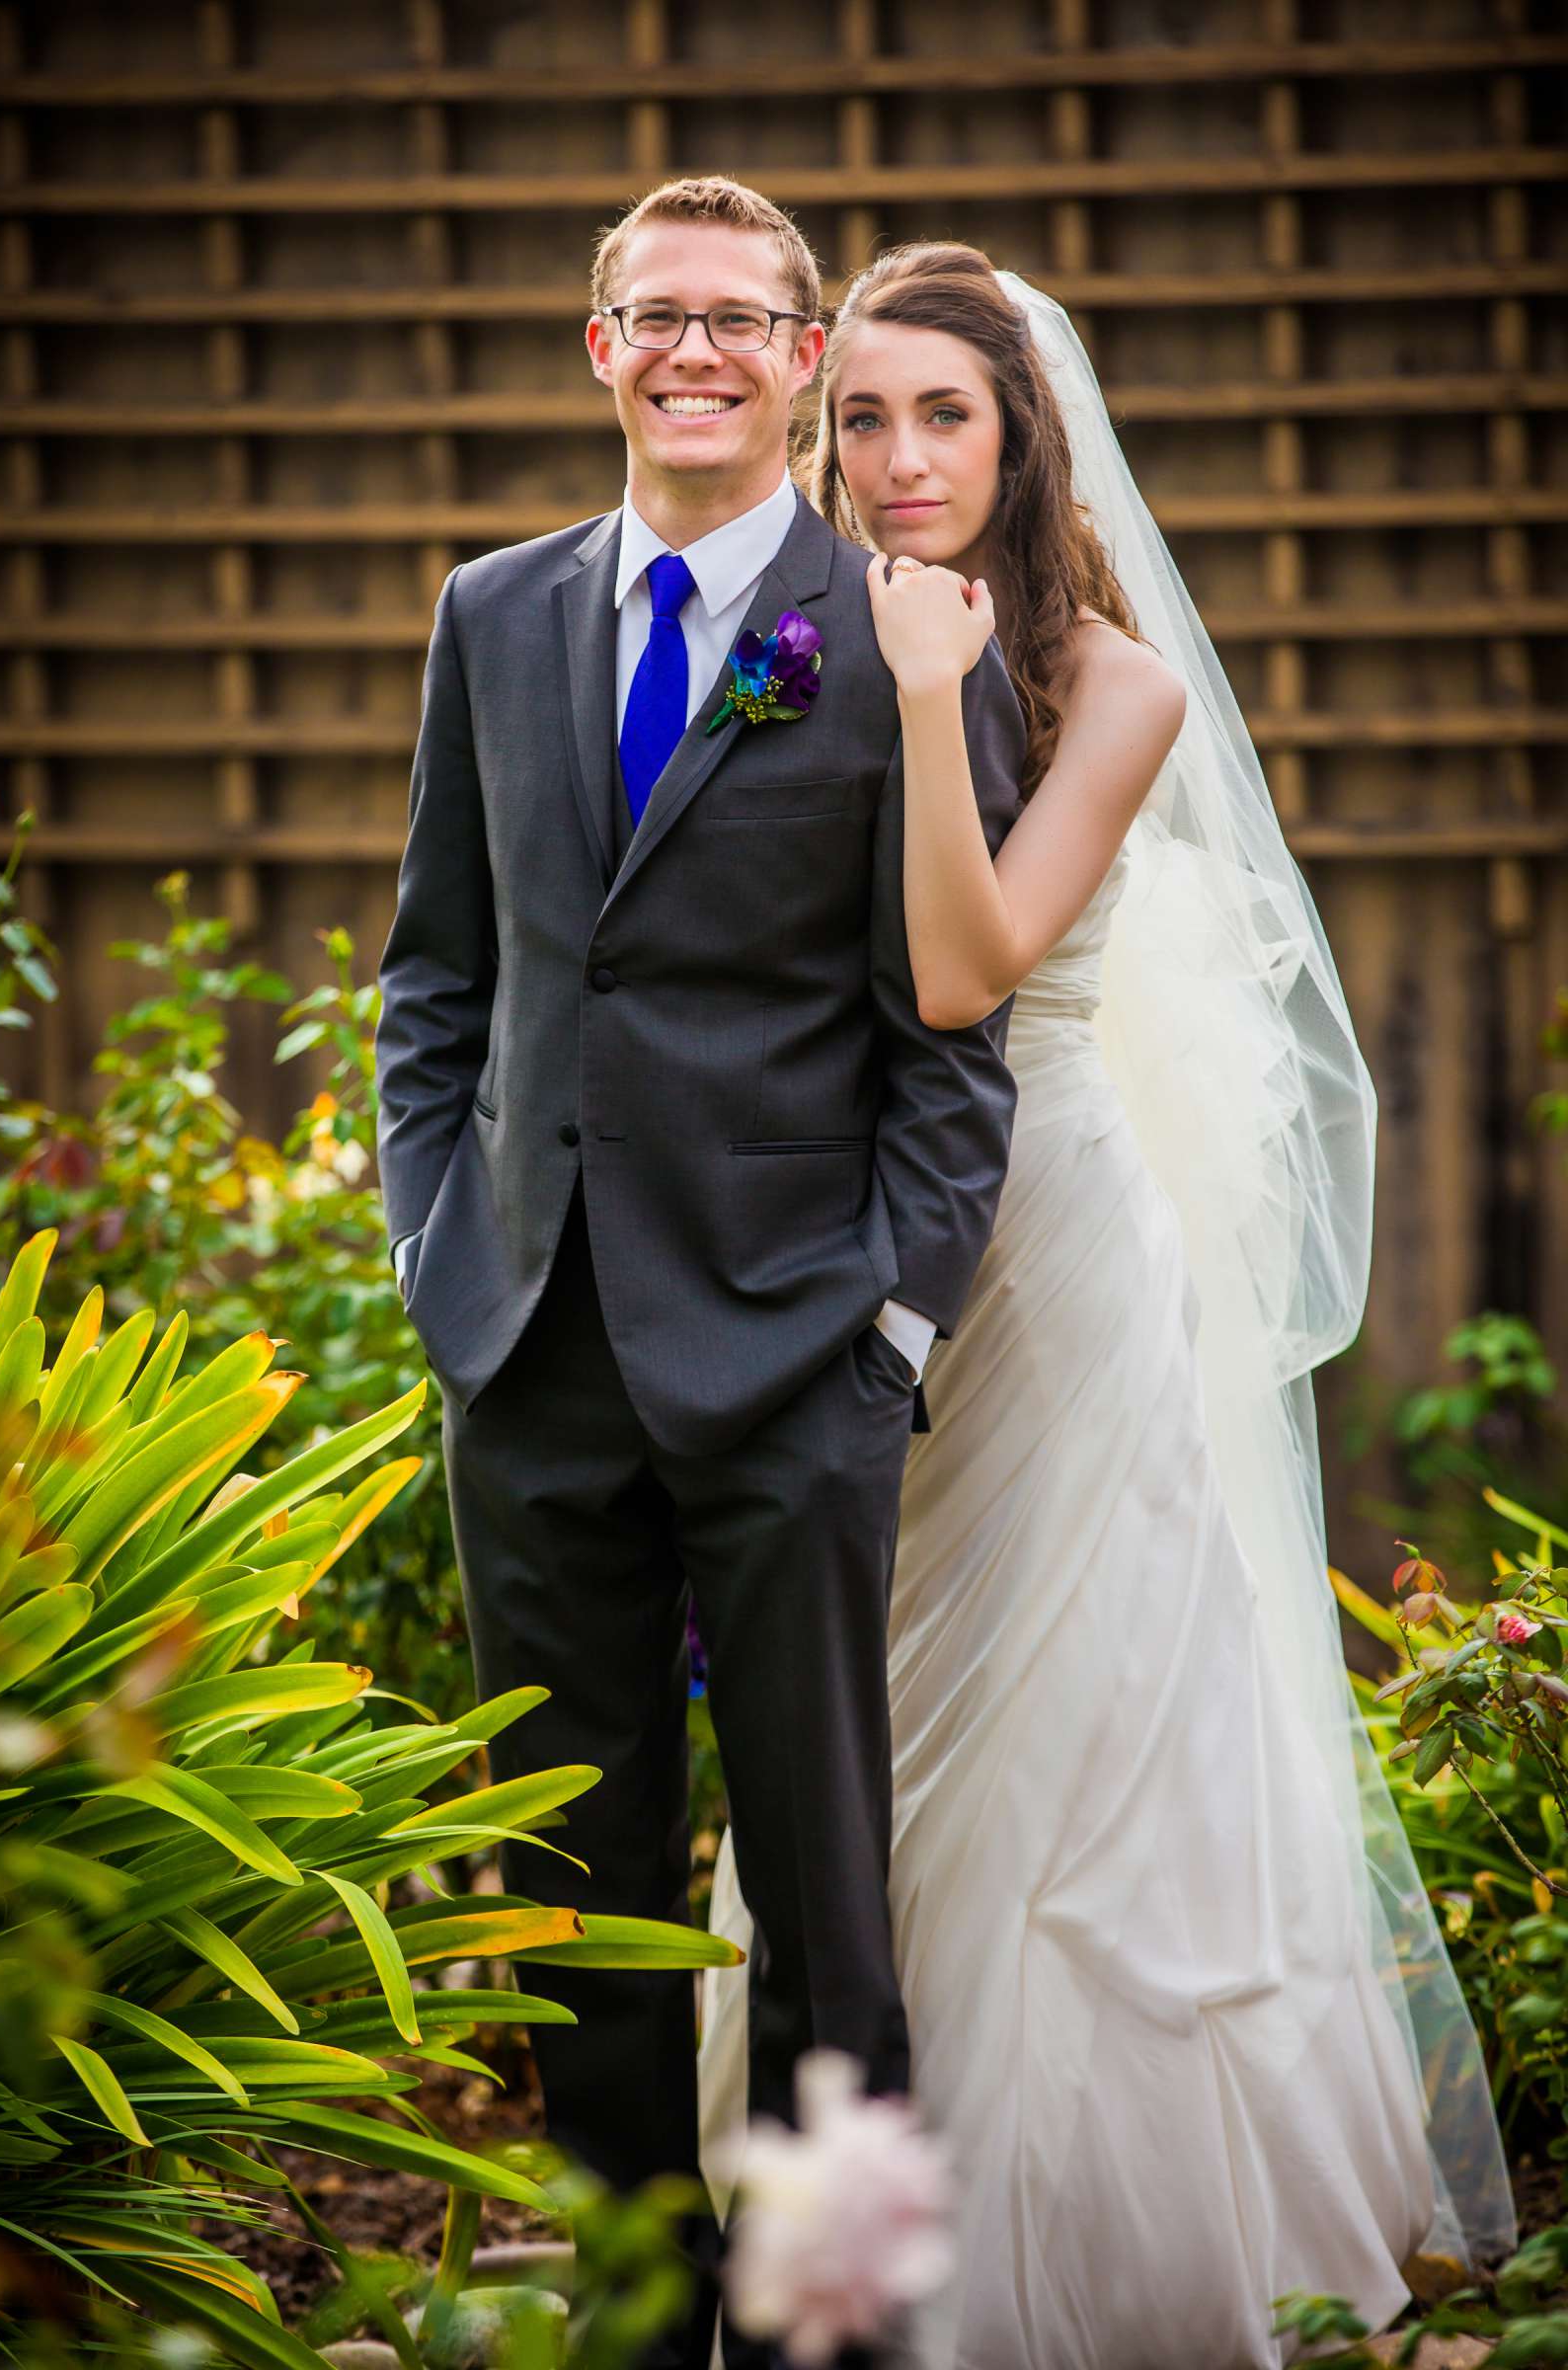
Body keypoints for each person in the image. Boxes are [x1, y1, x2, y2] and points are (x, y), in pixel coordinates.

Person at [699, 244, 1516, 2370]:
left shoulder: (1113, 685)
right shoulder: (781, 631)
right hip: (826, 1248)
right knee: (854, 1734)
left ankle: (1082, 2270)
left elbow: (966, 968)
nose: (892, 459)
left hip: (1046, 1247)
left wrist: (903, 688)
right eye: (857, 416)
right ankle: (843, 2225)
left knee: (1064, 1743)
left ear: (1016, 433)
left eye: (938, 416)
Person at [373, 186, 1029, 2370]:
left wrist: (894, 1324)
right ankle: (640, 2328)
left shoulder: (901, 630)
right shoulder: (490, 612)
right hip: (529, 1349)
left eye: (739, 322)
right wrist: (430, 1248)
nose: (695, 352)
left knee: (828, 1917)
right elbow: (437, 974)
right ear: (596, 346)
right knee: (579, 1907)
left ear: (800, 350)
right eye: (655, 315)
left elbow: (951, 1040)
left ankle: (831, 2340)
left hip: (791, 1358)